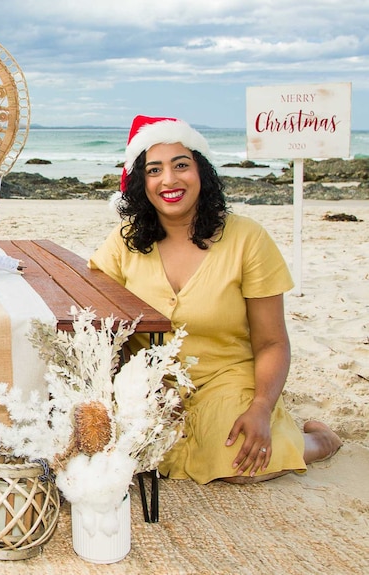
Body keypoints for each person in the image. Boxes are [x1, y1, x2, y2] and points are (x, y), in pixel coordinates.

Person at [89, 115, 342, 484]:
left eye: (181, 166)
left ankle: (317, 440)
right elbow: (96, 318)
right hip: (152, 385)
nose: (169, 180)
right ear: (141, 183)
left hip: (228, 376)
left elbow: (272, 341)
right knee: (129, 456)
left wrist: (260, 407)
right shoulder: (124, 240)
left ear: (202, 173)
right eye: (154, 170)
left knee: (238, 462)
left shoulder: (248, 239)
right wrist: (137, 384)